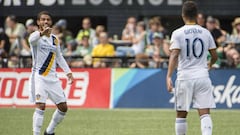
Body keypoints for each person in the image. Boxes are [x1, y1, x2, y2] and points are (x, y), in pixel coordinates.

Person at [166, 1, 218, 135]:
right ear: (196, 15)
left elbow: (174, 55)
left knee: (181, 115)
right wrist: (210, 64)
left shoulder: (177, 33)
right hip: (202, 76)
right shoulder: (206, 32)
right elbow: (214, 55)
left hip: (185, 77)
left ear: (183, 15)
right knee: (205, 113)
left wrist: (168, 76)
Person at [28, 11, 74, 135]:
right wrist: (42, 33)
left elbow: (59, 57)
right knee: (41, 105)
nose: (46, 22)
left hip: (53, 78)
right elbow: (31, 40)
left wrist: (68, 72)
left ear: (51, 22)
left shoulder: (55, 39)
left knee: (63, 108)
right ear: (38, 22)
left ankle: (49, 131)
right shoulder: (36, 37)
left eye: (48, 19)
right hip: (39, 77)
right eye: (43, 19)